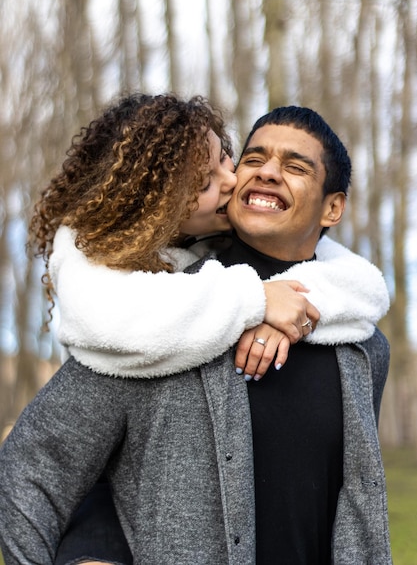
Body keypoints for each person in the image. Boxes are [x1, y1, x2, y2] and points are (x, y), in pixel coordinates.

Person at [0, 104, 391, 564]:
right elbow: (35, 468)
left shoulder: (364, 350)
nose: (267, 172)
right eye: (252, 158)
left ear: (333, 207)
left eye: (294, 166)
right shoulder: (165, 314)